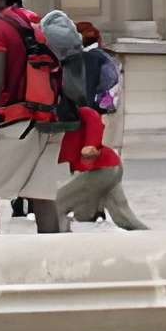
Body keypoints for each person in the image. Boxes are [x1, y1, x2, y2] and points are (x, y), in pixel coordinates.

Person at [0, 0, 71, 236]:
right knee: (42, 197)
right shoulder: (35, 20)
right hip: (51, 121)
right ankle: (50, 265)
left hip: (18, 121)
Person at [57, 18, 148, 231]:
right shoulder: (105, 59)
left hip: (95, 145)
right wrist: (102, 107)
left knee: (58, 206)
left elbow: (94, 112)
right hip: (108, 155)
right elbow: (110, 95)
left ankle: (64, 253)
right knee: (124, 216)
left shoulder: (72, 67)